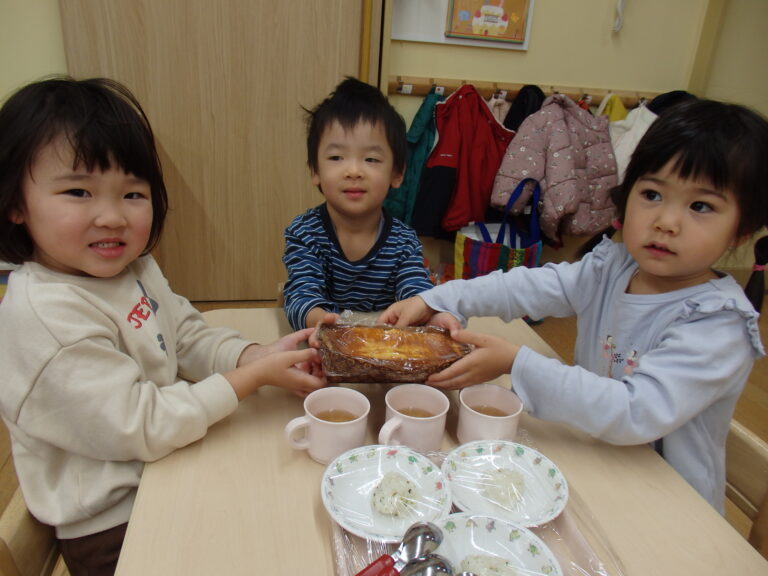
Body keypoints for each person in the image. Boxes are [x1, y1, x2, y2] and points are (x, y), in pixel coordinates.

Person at [0, 77, 325, 576]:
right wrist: (248, 380)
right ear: (16, 204)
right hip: (112, 524)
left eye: (132, 193)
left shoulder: (132, 268)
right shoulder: (45, 318)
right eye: (78, 191)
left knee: (290, 502)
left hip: (165, 463)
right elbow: (142, 422)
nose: (111, 216)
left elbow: (186, 334)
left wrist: (250, 356)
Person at [379, 99, 768, 514]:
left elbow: (634, 411)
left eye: (700, 206)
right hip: (594, 457)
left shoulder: (718, 323)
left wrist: (517, 362)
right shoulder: (612, 266)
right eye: (652, 194)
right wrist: (436, 298)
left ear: (740, 232)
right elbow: (525, 287)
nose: (666, 221)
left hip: (669, 504)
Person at [282, 77, 434, 330]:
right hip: (324, 343)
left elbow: (417, 294)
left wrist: (425, 307)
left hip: (384, 348)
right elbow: (301, 299)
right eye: (336, 157)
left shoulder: (404, 241)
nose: (353, 171)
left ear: (397, 174)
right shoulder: (304, 233)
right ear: (315, 171)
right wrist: (332, 325)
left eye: (371, 159)